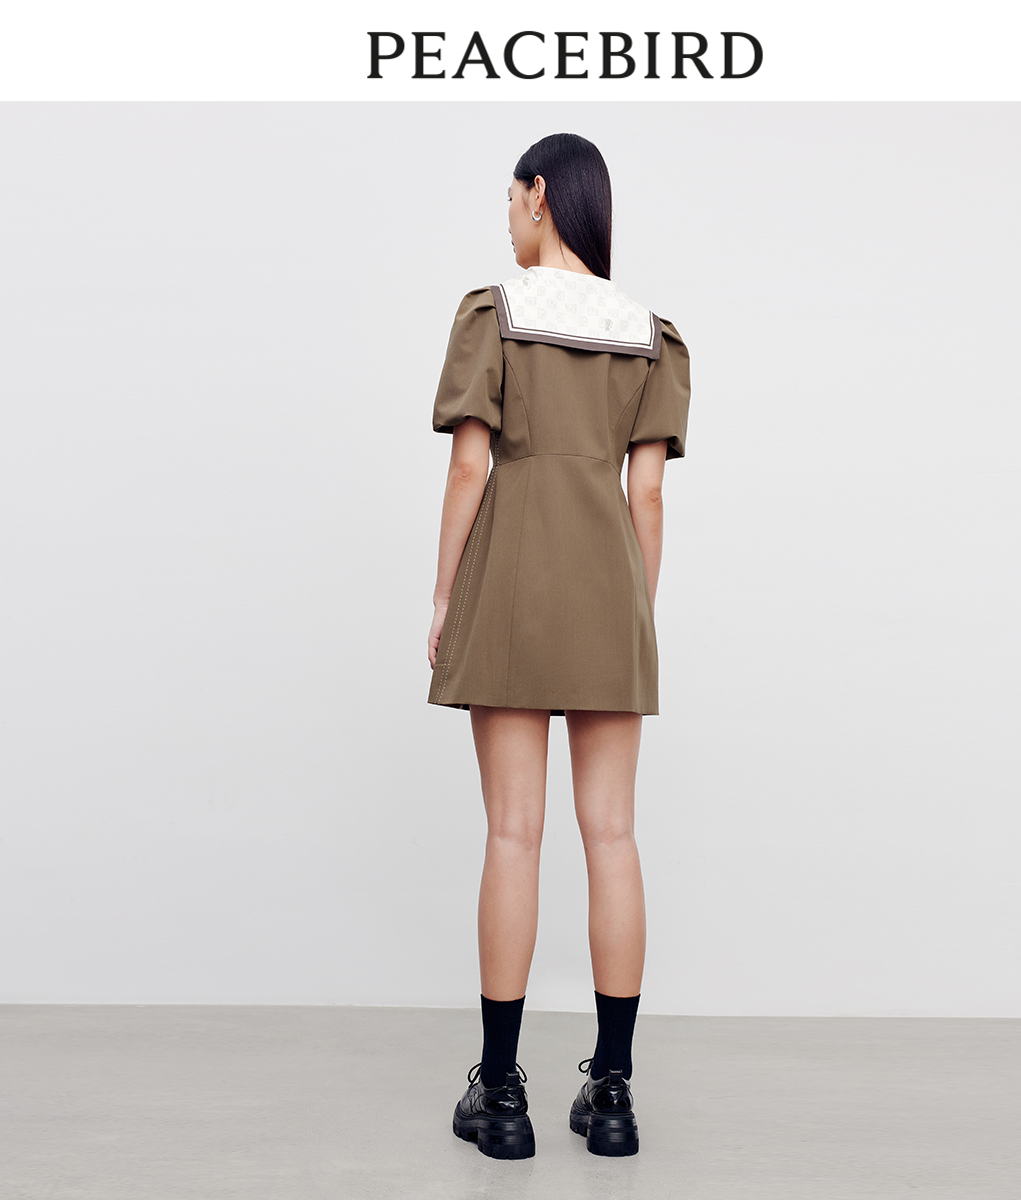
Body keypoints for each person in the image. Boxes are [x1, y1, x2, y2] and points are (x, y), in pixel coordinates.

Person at [425, 133, 691, 1160]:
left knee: (513, 836)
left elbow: (469, 470)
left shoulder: (493, 313)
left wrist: (443, 595)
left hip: (511, 585)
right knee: (612, 836)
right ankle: (612, 1094)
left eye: (510, 197)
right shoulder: (653, 336)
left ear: (541, 195)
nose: (506, 217)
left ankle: (501, 1098)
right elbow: (647, 496)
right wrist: (632, 613)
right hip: (610, 594)